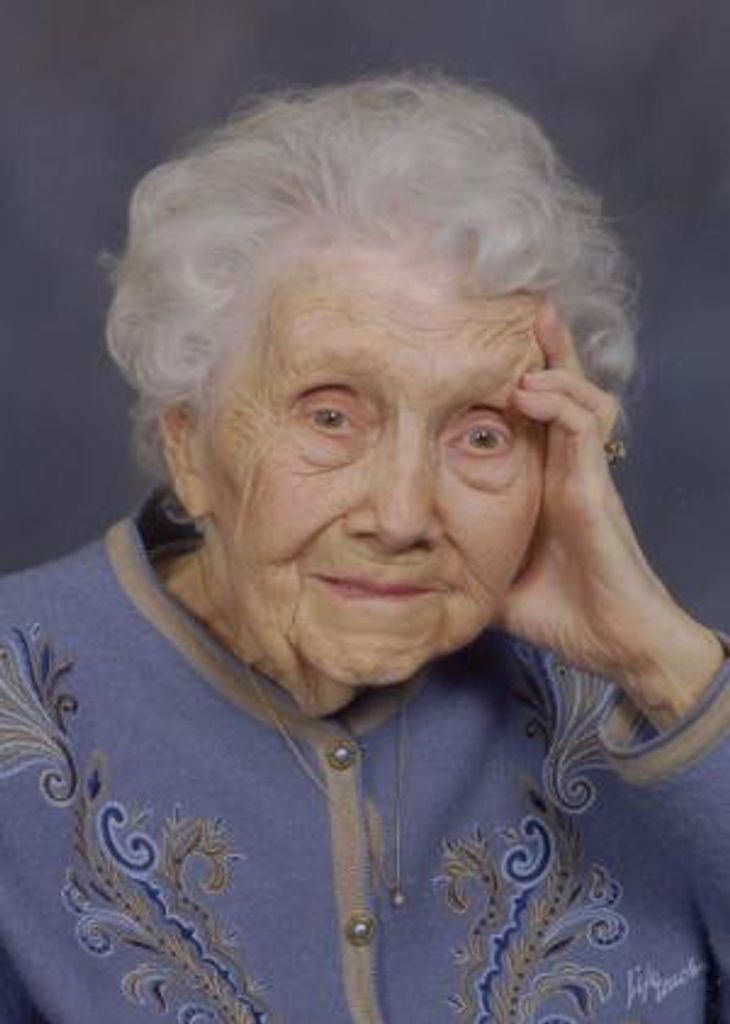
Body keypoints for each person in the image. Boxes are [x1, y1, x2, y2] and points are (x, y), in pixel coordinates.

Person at [0, 73, 727, 1024]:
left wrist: (662, 662)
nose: (401, 514)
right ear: (190, 445)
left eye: (482, 434)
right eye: (331, 416)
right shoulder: (17, 695)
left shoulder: (643, 702)